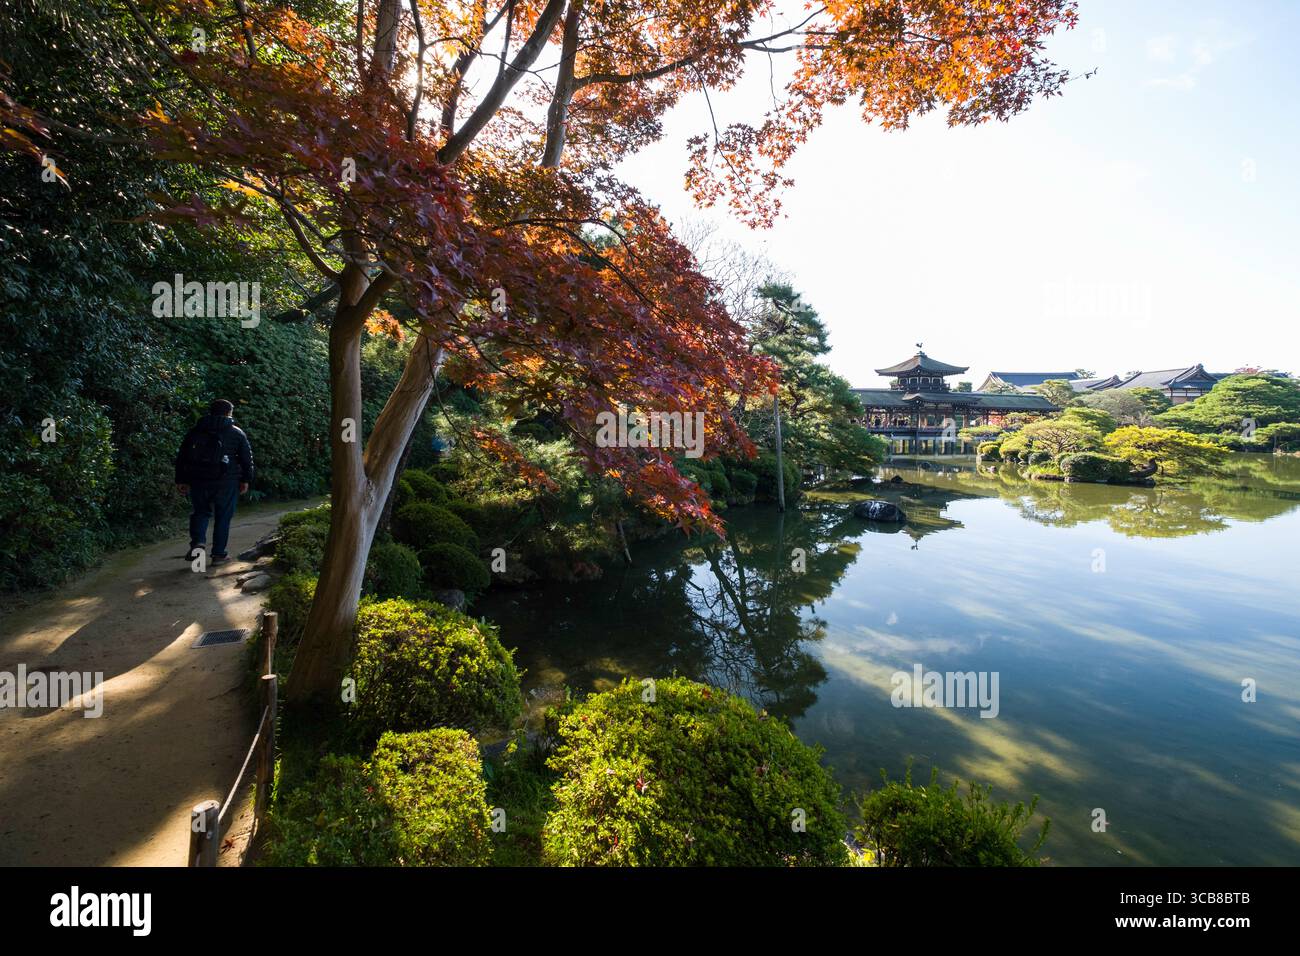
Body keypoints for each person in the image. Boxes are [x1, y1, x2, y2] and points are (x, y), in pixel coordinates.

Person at [175, 399, 254, 566]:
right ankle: (218, 555)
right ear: (229, 413)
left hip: (198, 480)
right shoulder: (236, 433)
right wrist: (246, 479)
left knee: (200, 512)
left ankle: (198, 543)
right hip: (227, 481)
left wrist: (181, 479)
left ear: (210, 412)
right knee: (223, 517)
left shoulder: (195, 431)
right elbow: (247, 459)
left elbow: (182, 457)